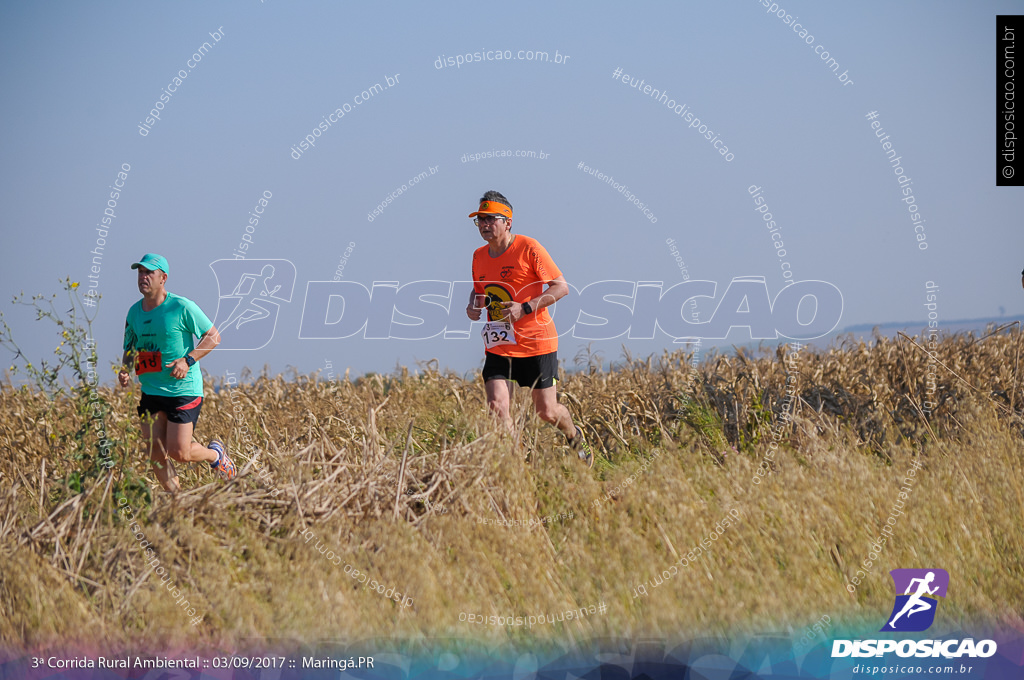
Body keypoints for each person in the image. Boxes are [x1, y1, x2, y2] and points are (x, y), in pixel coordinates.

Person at [464, 191, 593, 467]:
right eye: (480, 220)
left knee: (546, 411)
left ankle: (576, 438)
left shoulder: (529, 248)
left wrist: (523, 308)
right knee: (497, 408)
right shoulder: (477, 257)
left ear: (507, 222)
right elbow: (480, 293)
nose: (484, 225)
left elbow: (561, 287)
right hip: (499, 343)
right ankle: (519, 468)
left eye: (490, 219)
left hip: (536, 342)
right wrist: (473, 306)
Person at [118, 253, 235, 492]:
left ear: (163, 278)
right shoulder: (133, 313)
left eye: (149, 272)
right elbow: (130, 347)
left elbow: (214, 337)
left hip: (182, 390)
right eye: (140, 272)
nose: (143, 277)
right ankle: (178, 502)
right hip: (151, 390)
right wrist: (125, 370)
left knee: (179, 452)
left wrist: (188, 360)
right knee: (155, 453)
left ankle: (216, 456)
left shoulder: (181, 306)